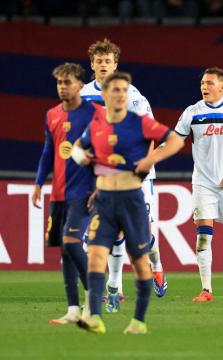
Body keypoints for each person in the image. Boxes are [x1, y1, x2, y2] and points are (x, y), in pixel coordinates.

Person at [72, 72, 184, 334]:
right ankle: (96, 316)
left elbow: (175, 140)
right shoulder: (96, 125)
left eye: (124, 90)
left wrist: (148, 161)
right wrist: (86, 164)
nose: (120, 95)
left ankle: (139, 320)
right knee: (97, 252)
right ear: (105, 95)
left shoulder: (139, 122)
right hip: (104, 196)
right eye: (115, 91)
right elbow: (77, 148)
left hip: (132, 196)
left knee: (139, 257)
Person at [80, 38, 167, 308]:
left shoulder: (132, 95)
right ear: (92, 64)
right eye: (99, 61)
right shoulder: (82, 95)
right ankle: (114, 288)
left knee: (140, 237)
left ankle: (157, 265)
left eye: (108, 61)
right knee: (113, 231)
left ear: (115, 64)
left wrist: (142, 165)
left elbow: (152, 133)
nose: (103, 65)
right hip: (103, 173)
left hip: (137, 174)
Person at [174, 67, 223, 302]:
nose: (204, 87)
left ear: (222, 86)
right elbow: (175, 141)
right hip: (203, 182)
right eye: (202, 83)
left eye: (209, 83)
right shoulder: (192, 112)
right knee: (203, 236)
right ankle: (206, 289)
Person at [33, 63, 99, 325]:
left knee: (72, 242)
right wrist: (39, 183)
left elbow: (104, 151)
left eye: (67, 82)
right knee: (64, 249)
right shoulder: (51, 115)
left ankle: (94, 294)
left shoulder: (95, 113)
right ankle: (73, 309)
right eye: (59, 82)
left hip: (83, 190)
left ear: (80, 85)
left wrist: (98, 185)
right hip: (58, 192)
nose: (62, 87)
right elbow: (48, 152)